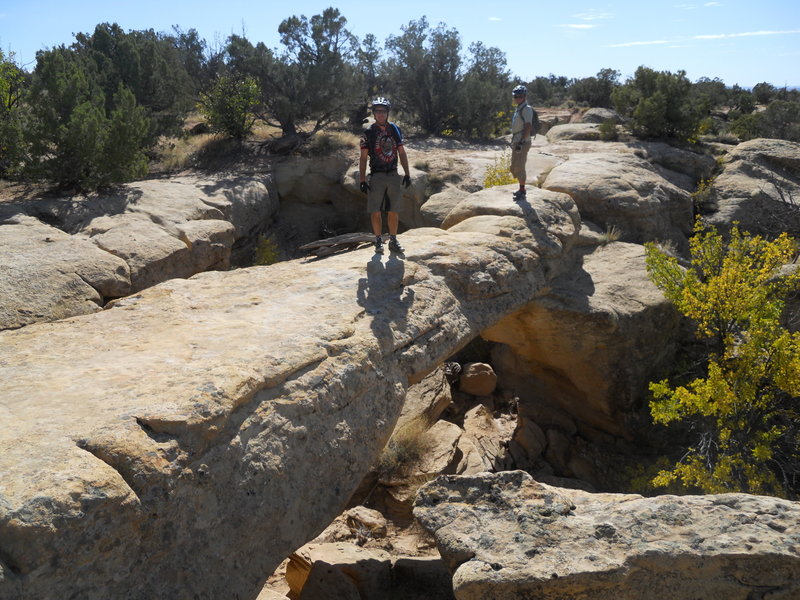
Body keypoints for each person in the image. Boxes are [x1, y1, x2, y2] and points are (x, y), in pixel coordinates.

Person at [359, 97, 411, 254]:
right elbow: (363, 157)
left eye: (383, 111)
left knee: (393, 210)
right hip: (377, 175)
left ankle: (393, 240)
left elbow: (401, 152)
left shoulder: (395, 129)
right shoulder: (368, 132)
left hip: (393, 173)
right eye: (377, 111)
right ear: (373, 113)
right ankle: (378, 241)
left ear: (388, 112)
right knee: (375, 210)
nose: (380, 114)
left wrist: (407, 173)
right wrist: (362, 179)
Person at [509, 84, 537, 201]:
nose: (516, 98)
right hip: (517, 140)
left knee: (520, 167)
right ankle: (521, 188)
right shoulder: (519, 108)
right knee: (514, 166)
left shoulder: (526, 109)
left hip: (522, 142)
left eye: (519, 96)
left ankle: (522, 190)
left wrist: (521, 142)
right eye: (515, 96)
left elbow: (528, 126)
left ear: (524, 96)